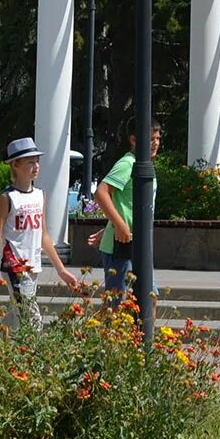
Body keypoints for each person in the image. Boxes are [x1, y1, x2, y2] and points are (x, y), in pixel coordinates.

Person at [0, 138, 80, 329]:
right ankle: (32, 353)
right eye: (30, 162)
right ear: (15, 165)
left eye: (37, 161)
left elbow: (44, 236)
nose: (36, 166)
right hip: (14, 265)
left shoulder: (40, 195)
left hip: (33, 265)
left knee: (17, 315)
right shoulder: (8, 198)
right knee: (31, 319)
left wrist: (61, 270)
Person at [87, 120, 162, 305]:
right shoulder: (128, 164)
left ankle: (146, 335)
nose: (155, 143)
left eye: (158, 138)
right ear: (134, 140)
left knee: (149, 298)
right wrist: (119, 226)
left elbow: (124, 204)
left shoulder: (144, 165)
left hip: (139, 243)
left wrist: (111, 225)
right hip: (121, 245)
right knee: (116, 303)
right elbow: (101, 192)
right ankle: (104, 334)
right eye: (151, 139)